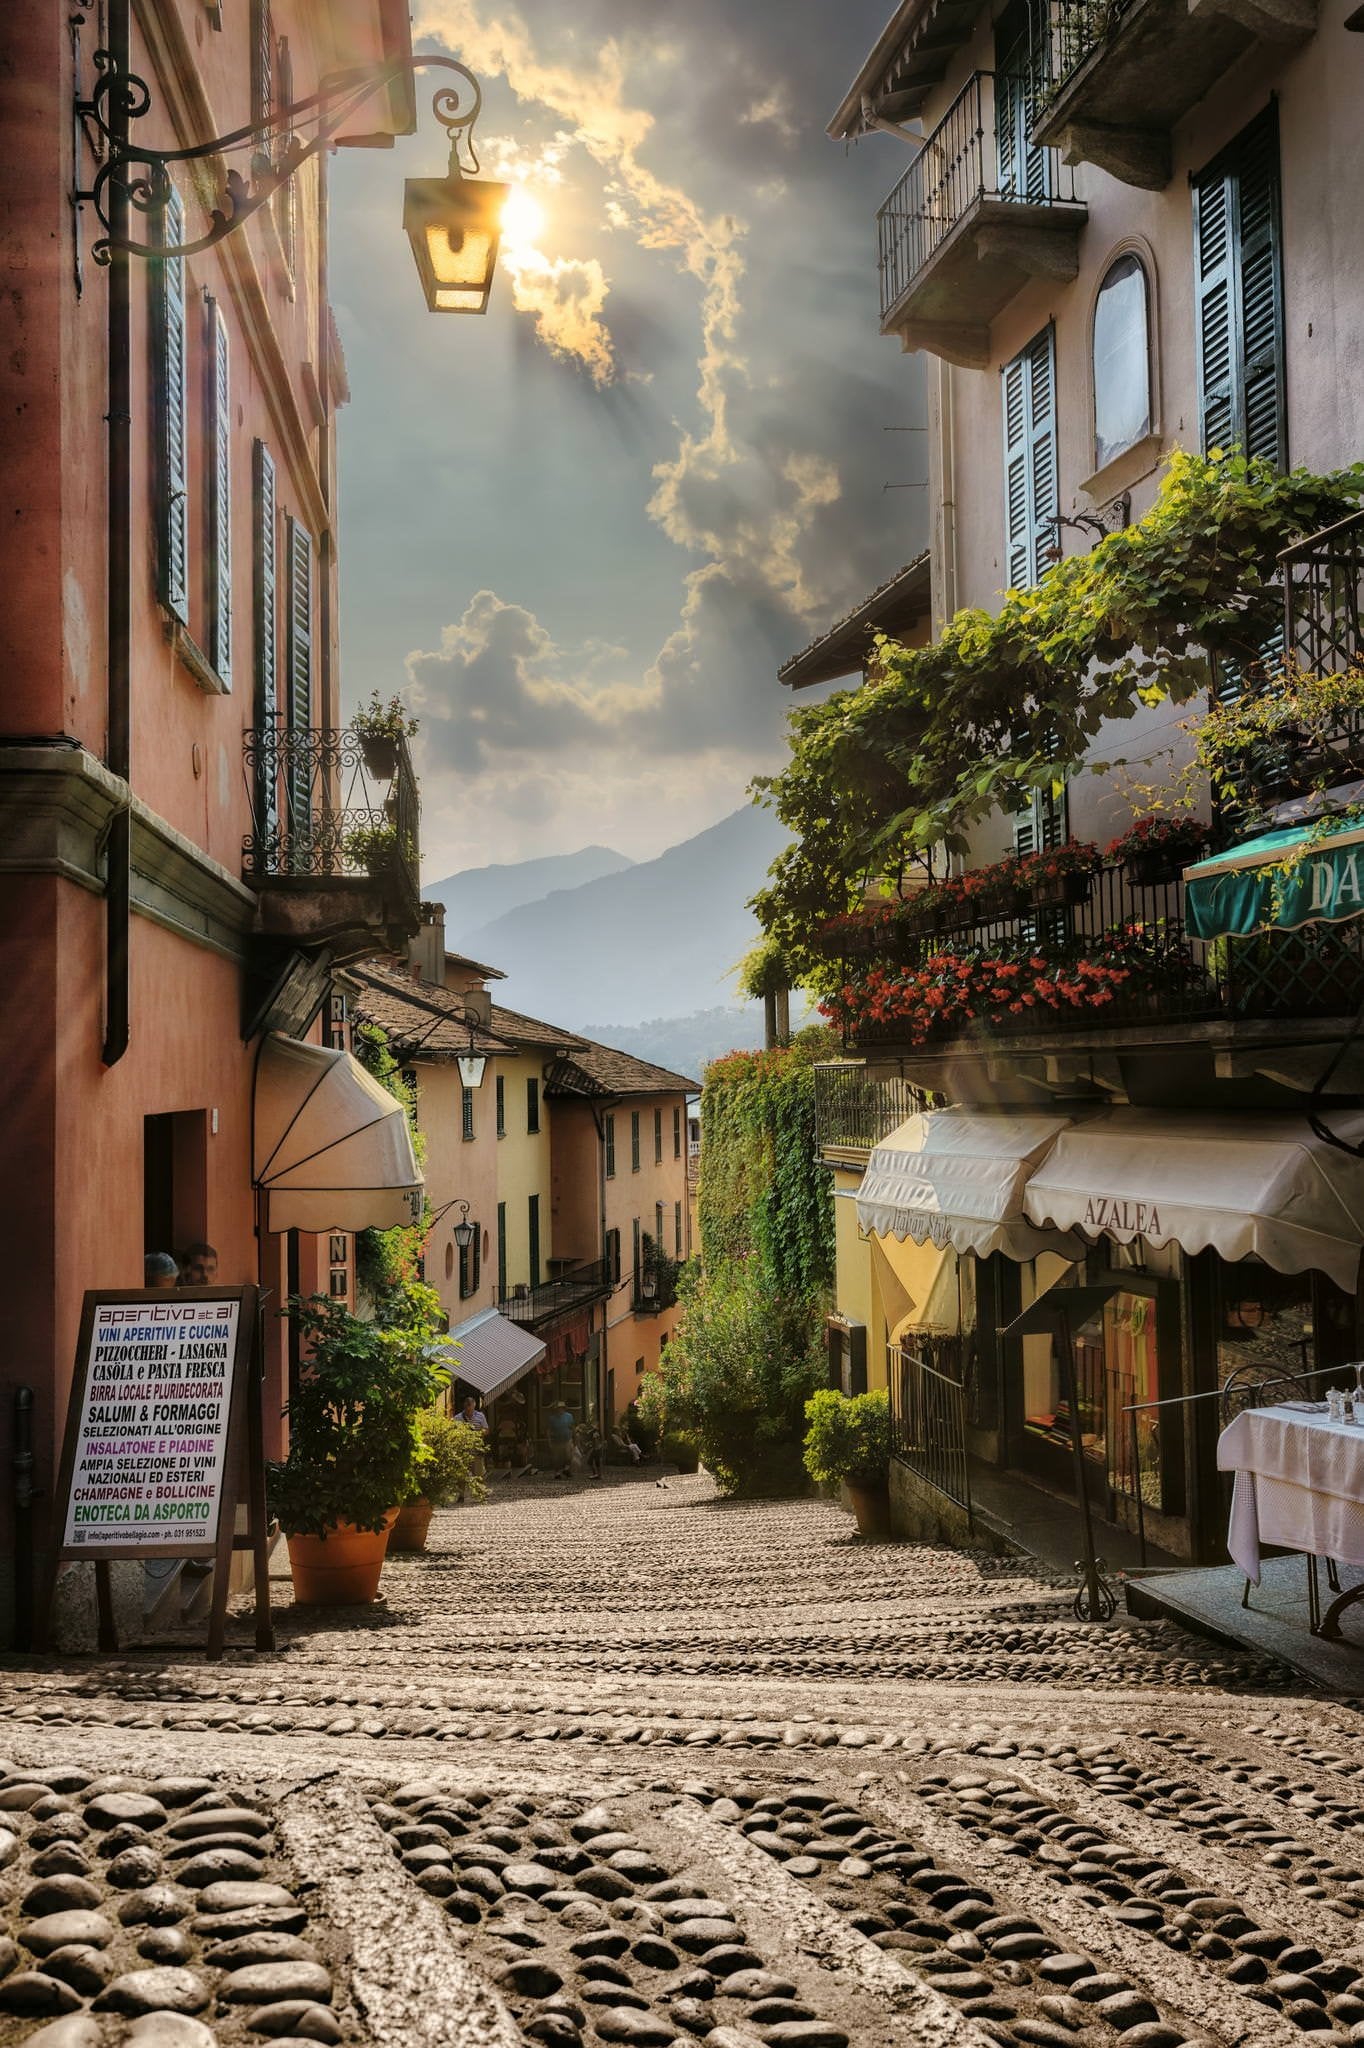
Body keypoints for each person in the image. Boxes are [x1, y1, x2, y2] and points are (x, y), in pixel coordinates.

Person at [547, 1399, 575, 1477]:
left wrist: (575, 1438)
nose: (560, 1409)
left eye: (562, 1408)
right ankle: (557, 1472)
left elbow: (572, 1427)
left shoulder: (569, 1416)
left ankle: (566, 1469)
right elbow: (549, 1430)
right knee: (557, 1458)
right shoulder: (552, 1418)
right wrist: (549, 1441)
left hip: (567, 1439)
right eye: (559, 1408)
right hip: (556, 1440)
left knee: (568, 1455)